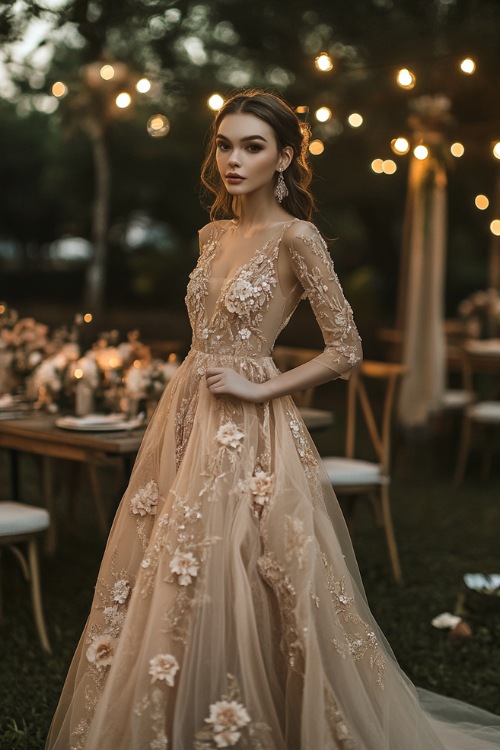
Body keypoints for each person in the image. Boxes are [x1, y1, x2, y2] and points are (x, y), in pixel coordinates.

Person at [46, 91, 500, 750]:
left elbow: (346, 351)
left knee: (254, 564)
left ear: (285, 156)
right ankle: (172, 708)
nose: (233, 159)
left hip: (250, 418)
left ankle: (260, 709)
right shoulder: (213, 234)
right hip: (187, 408)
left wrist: (262, 389)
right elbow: (207, 329)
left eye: (252, 146)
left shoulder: (298, 237)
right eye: (226, 144)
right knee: (171, 561)